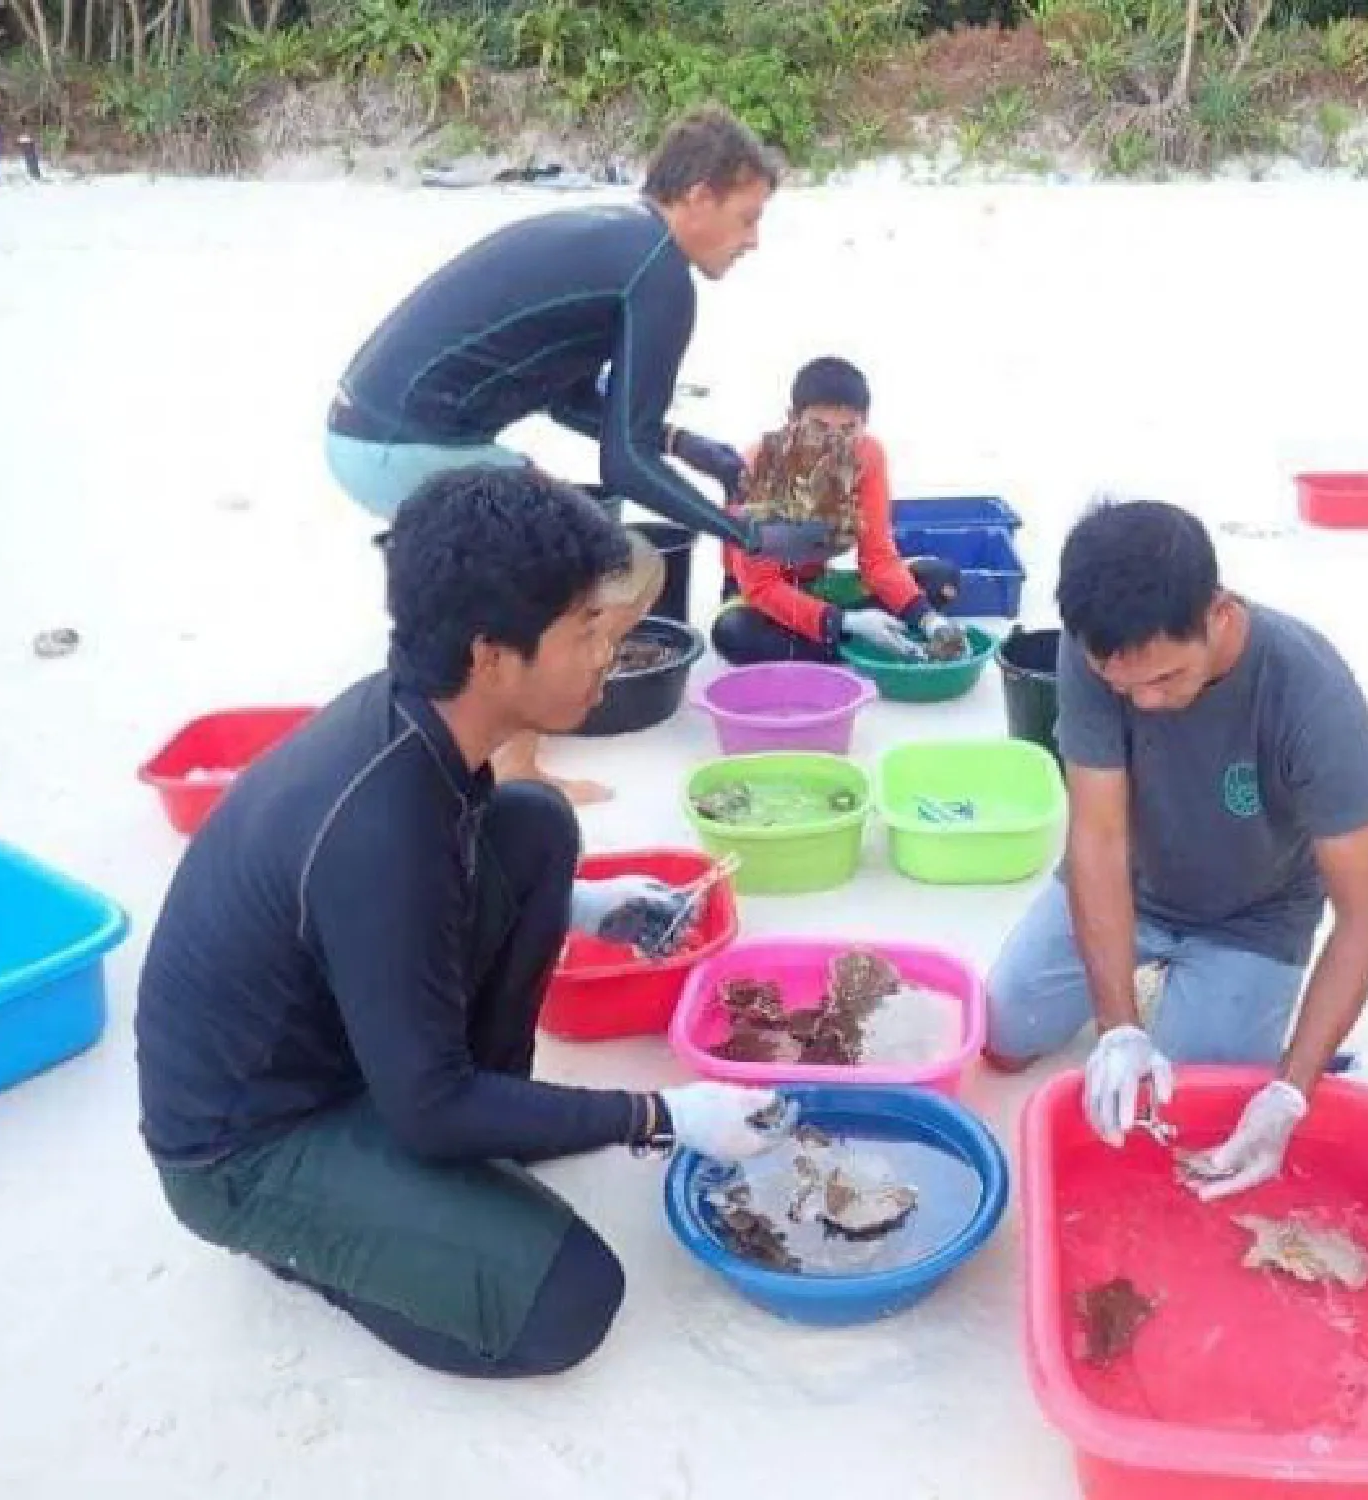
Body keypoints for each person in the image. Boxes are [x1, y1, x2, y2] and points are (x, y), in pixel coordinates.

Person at [136, 465, 784, 1379]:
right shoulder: (379, 824)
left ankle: (478, 1138)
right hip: (247, 1146)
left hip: (350, 1041)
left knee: (533, 826)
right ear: (491, 656)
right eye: (585, 630)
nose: (607, 652)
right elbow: (429, 1107)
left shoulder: (421, 716)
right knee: (567, 1302)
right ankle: (312, 1240)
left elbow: (447, 871)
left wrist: (586, 906)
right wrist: (663, 1114)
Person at [323, 105, 828, 801]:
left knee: (545, 548)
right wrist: (747, 535)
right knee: (620, 568)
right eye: (747, 218)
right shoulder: (659, 273)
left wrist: (686, 445)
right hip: (404, 444)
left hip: (365, 432)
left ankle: (477, 729)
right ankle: (511, 763)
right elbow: (625, 462)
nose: (754, 241)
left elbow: (567, 399)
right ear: (698, 197)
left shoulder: (622, 239)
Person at [984, 498, 1368, 1200]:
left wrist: (1292, 1092)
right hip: (1135, 882)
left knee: (1191, 1118)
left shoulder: (1312, 695)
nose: (1143, 703)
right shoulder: (1096, 647)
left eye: (1166, 678)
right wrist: (1117, 1028)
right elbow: (1099, 837)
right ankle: (1139, 992)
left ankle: (1188, 993)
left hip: (1253, 916)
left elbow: (1364, 917)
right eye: (1122, 686)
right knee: (1003, 1029)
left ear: (1220, 614)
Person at [710, 357, 963, 665]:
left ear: (864, 423)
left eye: (848, 429)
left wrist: (927, 620)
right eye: (819, 427)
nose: (833, 442)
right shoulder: (757, 466)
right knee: (735, 633)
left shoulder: (868, 455)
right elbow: (761, 586)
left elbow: (878, 557)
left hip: (818, 584)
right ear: (792, 420)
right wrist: (843, 622)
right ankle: (853, 640)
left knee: (940, 579)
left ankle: (837, 642)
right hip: (756, 595)